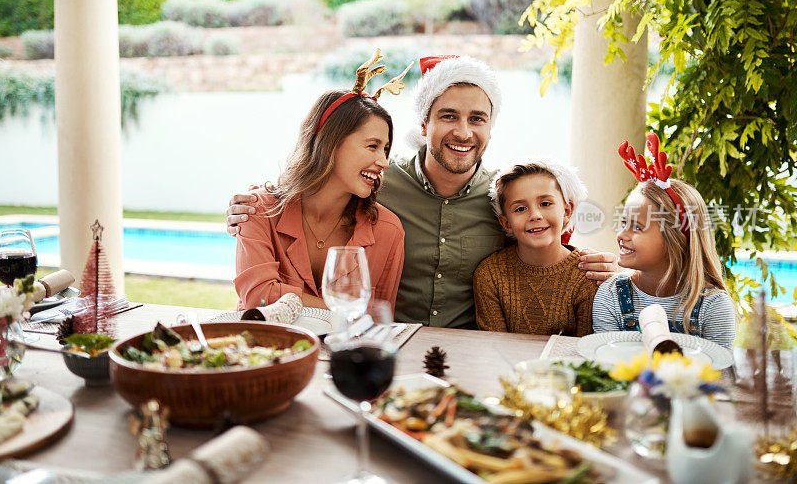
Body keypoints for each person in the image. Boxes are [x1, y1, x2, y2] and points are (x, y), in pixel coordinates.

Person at [228, 55, 618, 327]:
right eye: (448, 116)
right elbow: (314, 184)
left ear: (489, 128)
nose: (463, 132)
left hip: (469, 345)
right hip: (391, 345)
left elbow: (545, 236)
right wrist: (248, 209)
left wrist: (599, 268)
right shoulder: (377, 186)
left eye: (477, 119)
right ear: (424, 124)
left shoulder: (504, 199)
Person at [234, 51, 407, 311]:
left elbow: (378, 319)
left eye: (385, 149)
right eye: (372, 146)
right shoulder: (258, 211)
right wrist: (345, 311)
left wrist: (286, 298)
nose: (383, 161)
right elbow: (257, 298)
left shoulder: (388, 231)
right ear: (331, 143)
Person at [592, 134, 736, 349]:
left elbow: (720, 375)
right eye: (623, 223)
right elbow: (605, 366)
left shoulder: (713, 307)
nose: (622, 235)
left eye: (637, 227)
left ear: (675, 238)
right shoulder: (610, 295)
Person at [474, 158, 598, 335]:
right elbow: (494, 347)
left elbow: (585, 352)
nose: (535, 215)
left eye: (546, 204)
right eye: (520, 209)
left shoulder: (587, 276)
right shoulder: (490, 275)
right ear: (506, 223)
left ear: (567, 211)